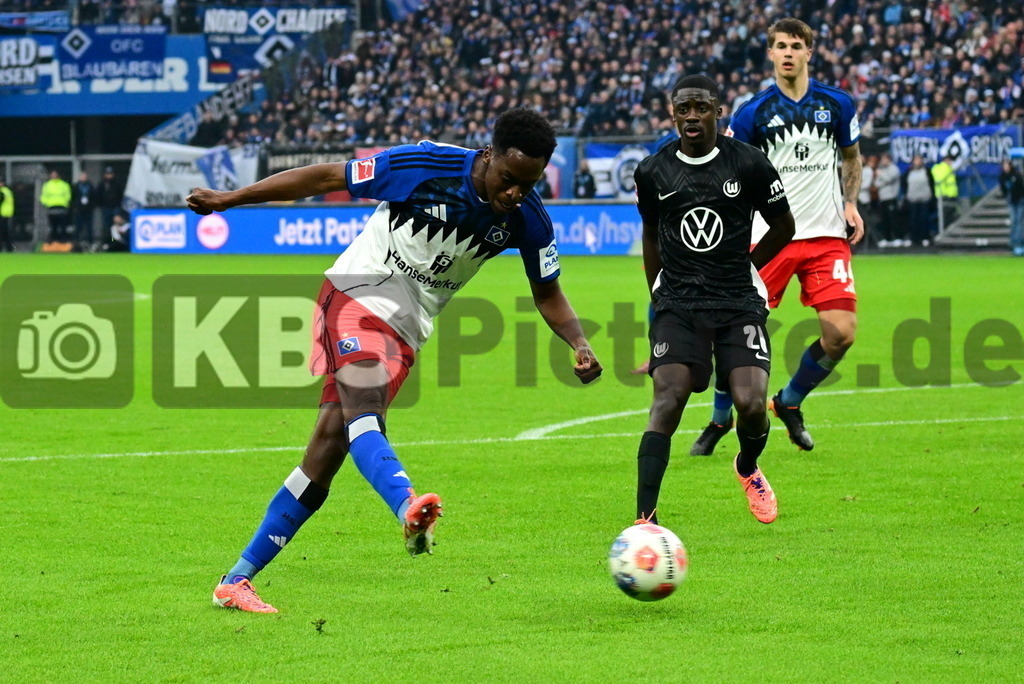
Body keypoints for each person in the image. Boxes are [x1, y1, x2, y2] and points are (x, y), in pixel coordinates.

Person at [186, 107, 603, 613]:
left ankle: (235, 581)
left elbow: (548, 292)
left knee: (328, 447)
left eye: (529, 184)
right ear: (488, 155)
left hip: (406, 329)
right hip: (357, 293)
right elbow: (325, 176)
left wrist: (578, 343)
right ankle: (407, 506)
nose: (515, 193)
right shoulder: (426, 165)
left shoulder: (528, 218)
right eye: (510, 179)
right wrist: (232, 199)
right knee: (366, 412)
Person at [691, 17, 864, 456]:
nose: (788, 52)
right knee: (732, 329)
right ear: (770, 54)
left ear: (810, 51)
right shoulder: (752, 112)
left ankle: (788, 402)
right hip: (770, 238)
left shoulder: (838, 104)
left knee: (841, 333)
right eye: (780, 46)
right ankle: (718, 417)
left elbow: (852, 158)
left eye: (796, 45)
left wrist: (850, 203)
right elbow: (727, 165)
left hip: (826, 234)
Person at [632, 74, 795, 526]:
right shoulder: (652, 170)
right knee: (669, 397)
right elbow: (651, 234)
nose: (692, 116)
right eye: (683, 108)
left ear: (717, 111)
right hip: (679, 304)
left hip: (738, 301)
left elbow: (785, 226)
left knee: (750, 403)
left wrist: (748, 263)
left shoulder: (749, 163)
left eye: (701, 107)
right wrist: (656, 294)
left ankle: (746, 466)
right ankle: (645, 520)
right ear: (672, 113)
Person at [903, 155, 935, 246]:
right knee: (913, 219)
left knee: (924, 219)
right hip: (912, 199)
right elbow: (905, 184)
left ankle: (925, 237)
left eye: (919, 160)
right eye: (916, 160)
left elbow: (931, 184)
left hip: (924, 199)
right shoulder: (909, 172)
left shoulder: (927, 171)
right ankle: (913, 238)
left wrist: (931, 197)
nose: (918, 162)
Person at [874, 153, 905, 247]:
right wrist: (881, 176)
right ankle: (887, 238)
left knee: (893, 219)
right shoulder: (882, 169)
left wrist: (881, 175)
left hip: (891, 197)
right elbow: (876, 183)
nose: (883, 161)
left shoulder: (894, 169)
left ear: (889, 159)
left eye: (884, 159)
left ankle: (898, 238)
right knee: (885, 219)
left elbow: (889, 179)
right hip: (883, 198)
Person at [998, 159, 1024, 256]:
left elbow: (1021, 187)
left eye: (1007, 165)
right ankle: (1014, 243)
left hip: (1020, 201)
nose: (1006, 167)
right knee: (1013, 221)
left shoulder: (1016, 175)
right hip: (1011, 202)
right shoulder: (1003, 177)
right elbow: (1003, 189)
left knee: (1019, 222)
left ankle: (1019, 243)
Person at [39, 169, 72, 243]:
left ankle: (62, 241)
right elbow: (44, 196)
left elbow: (68, 195)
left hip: (62, 207)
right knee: (53, 226)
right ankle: (53, 241)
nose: (53, 176)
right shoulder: (47, 185)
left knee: (62, 226)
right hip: (51, 207)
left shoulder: (64, 185)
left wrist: (65, 202)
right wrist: (46, 203)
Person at [930, 153, 959, 233]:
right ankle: (943, 232)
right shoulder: (943, 168)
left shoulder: (948, 169)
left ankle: (947, 231)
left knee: (949, 216)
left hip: (949, 195)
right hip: (945, 195)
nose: (951, 162)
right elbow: (940, 180)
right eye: (949, 160)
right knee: (945, 216)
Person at [72, 171, 96, 250]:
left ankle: (90, 243)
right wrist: (75, 207)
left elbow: (94, 198)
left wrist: (92, 207)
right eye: (82, 176)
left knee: (89, 227)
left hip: (88, 210)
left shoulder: (90, 186)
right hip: (79, 210)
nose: (83, 178)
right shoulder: (76, 186)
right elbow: (73, 198)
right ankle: (76, 244)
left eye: (85, 176)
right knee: (78, 227)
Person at [95, 167, 124, 233]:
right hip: (106, 208)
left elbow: (120, 195)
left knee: (115, 226)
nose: (109, 175)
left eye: (110, 174)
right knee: (106, 225)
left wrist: (119, 205)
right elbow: (98, 195)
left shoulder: (117, 183)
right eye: (107, 174)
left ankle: (114, 241)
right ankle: (107, 241)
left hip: (115, 207)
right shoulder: (102, 184)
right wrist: (101, 205)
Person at [0, 177, 14, 252]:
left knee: (2, 232)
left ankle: (5, 247)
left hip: (2, 213)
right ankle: (9, 247)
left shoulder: (2, 192)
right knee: (5, 232)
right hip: (6, 213)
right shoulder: (7, 191)